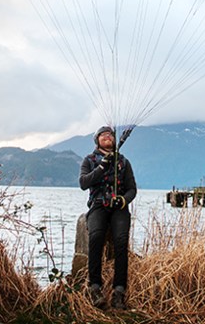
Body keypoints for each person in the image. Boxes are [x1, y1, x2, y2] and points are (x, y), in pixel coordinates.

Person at [79, 125, 137, 309]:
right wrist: (103, 166)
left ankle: (119, 290)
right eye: (103, 135)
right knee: (96, 237)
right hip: (98, 206)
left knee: (121, 241)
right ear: (97, 140)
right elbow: (83, 183)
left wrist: (123, 200)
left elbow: (132, 189)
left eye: (110, 134)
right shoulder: (89, 160)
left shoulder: (124, 162)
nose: (107, 136)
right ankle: (95, 287)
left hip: (118, 207)